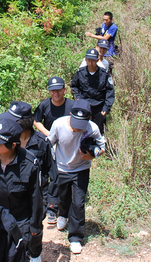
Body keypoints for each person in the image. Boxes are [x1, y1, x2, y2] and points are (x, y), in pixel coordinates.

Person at [0, 102, 44, 262]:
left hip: (21, 221)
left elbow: (36, 199)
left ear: (13, 145)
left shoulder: (29, 164)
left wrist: (35, 229)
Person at [47, 99, 105, 254]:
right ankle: (63, 215)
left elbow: (102, 146)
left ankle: (75, 238)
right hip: (62, 168)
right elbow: (49, 144)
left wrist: (91, 156)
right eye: (75, 122)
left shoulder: (92, 128)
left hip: (81, 169)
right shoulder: (59, 124)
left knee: (78, 203)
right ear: (70, 114)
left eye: (81, 125)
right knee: (64, 197)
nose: (76, 128)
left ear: (89, 119)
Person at [16, 108, 59, 260]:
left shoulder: (42, 142)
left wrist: (51, 202)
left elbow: (53, 173)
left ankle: (35, 256)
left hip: (37, 197)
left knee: (34, 231)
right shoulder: (9, 141)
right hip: (15, 196)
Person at [71, 48, 115, 135]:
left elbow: (110, 91)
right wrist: (78, 98)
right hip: (83, 106)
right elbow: (74, 86)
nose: (91, 63)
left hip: (99, 107)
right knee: (82, 131)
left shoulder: (104, 74)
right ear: (85, 60)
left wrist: (106, 107)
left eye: (93, 61)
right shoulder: (81, 72)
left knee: (98, 131)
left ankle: (98, 148)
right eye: (89, 60)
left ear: (97, 60)